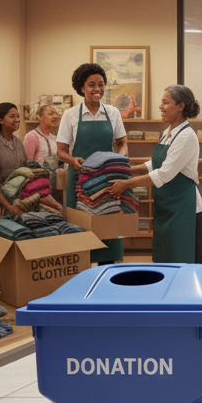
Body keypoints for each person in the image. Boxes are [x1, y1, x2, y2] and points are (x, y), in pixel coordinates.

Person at [105, 86, 202, 263]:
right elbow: (155, 164)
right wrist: (127, 169)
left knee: (181, 260)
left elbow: (165, 173)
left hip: (184, 209)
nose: (160, 107)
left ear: (180, 106)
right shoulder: (167, 133)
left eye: (165, 102)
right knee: (164, 258)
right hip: (167, 207)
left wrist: (126, 183)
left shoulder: (186, 136)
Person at [57, 63, 128, 264]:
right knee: (80, 231)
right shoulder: (70, 115)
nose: (97, 89)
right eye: (92, 85)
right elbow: (61, 152)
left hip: (107, 181)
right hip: (80, 181)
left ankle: (108, 272)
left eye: (101, 84)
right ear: (82, 88)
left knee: (109, 230)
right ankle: (81, 275)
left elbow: (123, 143)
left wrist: (121, 159)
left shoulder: (113, 113)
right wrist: (73, 160)